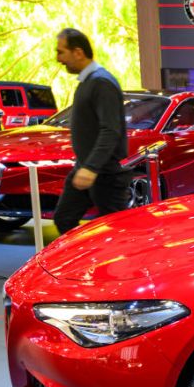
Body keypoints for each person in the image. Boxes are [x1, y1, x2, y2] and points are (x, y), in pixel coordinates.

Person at [52, 28, 131, 234]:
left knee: (115, 232)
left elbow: (110, 130)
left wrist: (91, 168)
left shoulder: (101, 83)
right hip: (86, 169)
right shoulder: (89, 83)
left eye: (61, 52)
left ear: (78, 52)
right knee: (64, 219)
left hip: (103, 174)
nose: (58, 59)